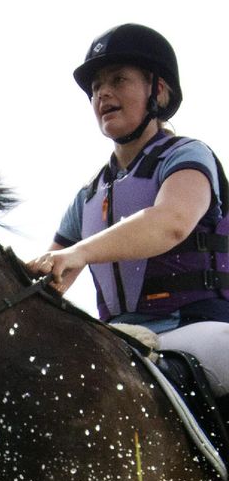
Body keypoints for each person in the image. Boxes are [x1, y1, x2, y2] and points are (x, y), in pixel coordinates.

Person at [27, 24, 229, 395]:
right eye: (96, 87)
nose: (103, 93)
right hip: (119, 341)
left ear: (159, 91)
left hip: (201, 332)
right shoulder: (86, 197)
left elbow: (172, 223)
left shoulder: (187, 155)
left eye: (119, 80)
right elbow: (48, 280)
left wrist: (79, 252)